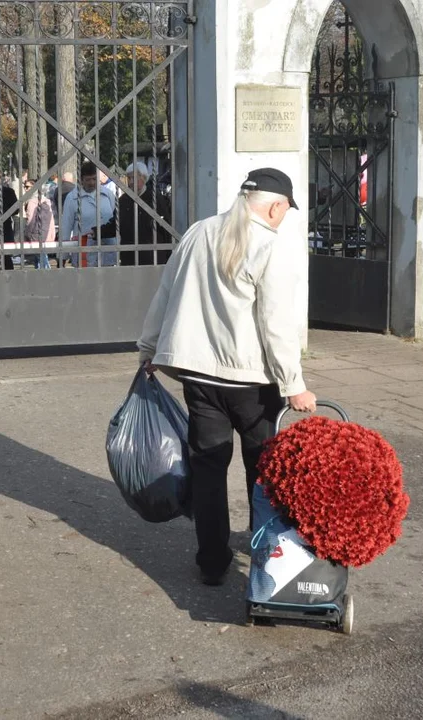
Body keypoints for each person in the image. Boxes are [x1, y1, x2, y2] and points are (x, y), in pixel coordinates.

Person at [138, 168, 316, 587]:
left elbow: (166, 292)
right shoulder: (271, 247)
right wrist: (295, 385)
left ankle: (212, 561)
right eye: (285, 212)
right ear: (275, 206)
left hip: (199, 377)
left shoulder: (199, 232)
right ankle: (262, 555)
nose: (283, 219)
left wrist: (149, 349)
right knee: (263, 472)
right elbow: (276, 325)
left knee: (209, 469)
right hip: (253, 383)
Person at [59, 161, 118, 267]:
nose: (91, 183)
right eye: (88, 180)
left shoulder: (108, 195)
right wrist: (63, 257)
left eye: (94, 179)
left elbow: (116, 222)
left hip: (107, 252)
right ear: (81, 180)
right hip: (84, 254)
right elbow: (66, 227)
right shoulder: (72, 198)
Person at [118, 161, 172, 267]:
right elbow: (116, 224)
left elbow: (166, 226)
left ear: (144, 178)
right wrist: (97, 232)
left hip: (153, 256)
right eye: (129, 178)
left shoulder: (155, 198)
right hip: (129, 256)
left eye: (134, 178)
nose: (131, 181)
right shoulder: (123, 200)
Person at [22, 177, 55, 269]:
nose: (25, 188)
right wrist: (52, 233)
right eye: (25, 186)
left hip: (36, 234)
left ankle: (45, 273)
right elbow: (51, 219)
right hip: (47, 232)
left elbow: (30, 221)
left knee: (40, 256)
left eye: (28, 187)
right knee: (40, 255)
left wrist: (27, 234)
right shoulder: (46, 200)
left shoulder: (32, 202)